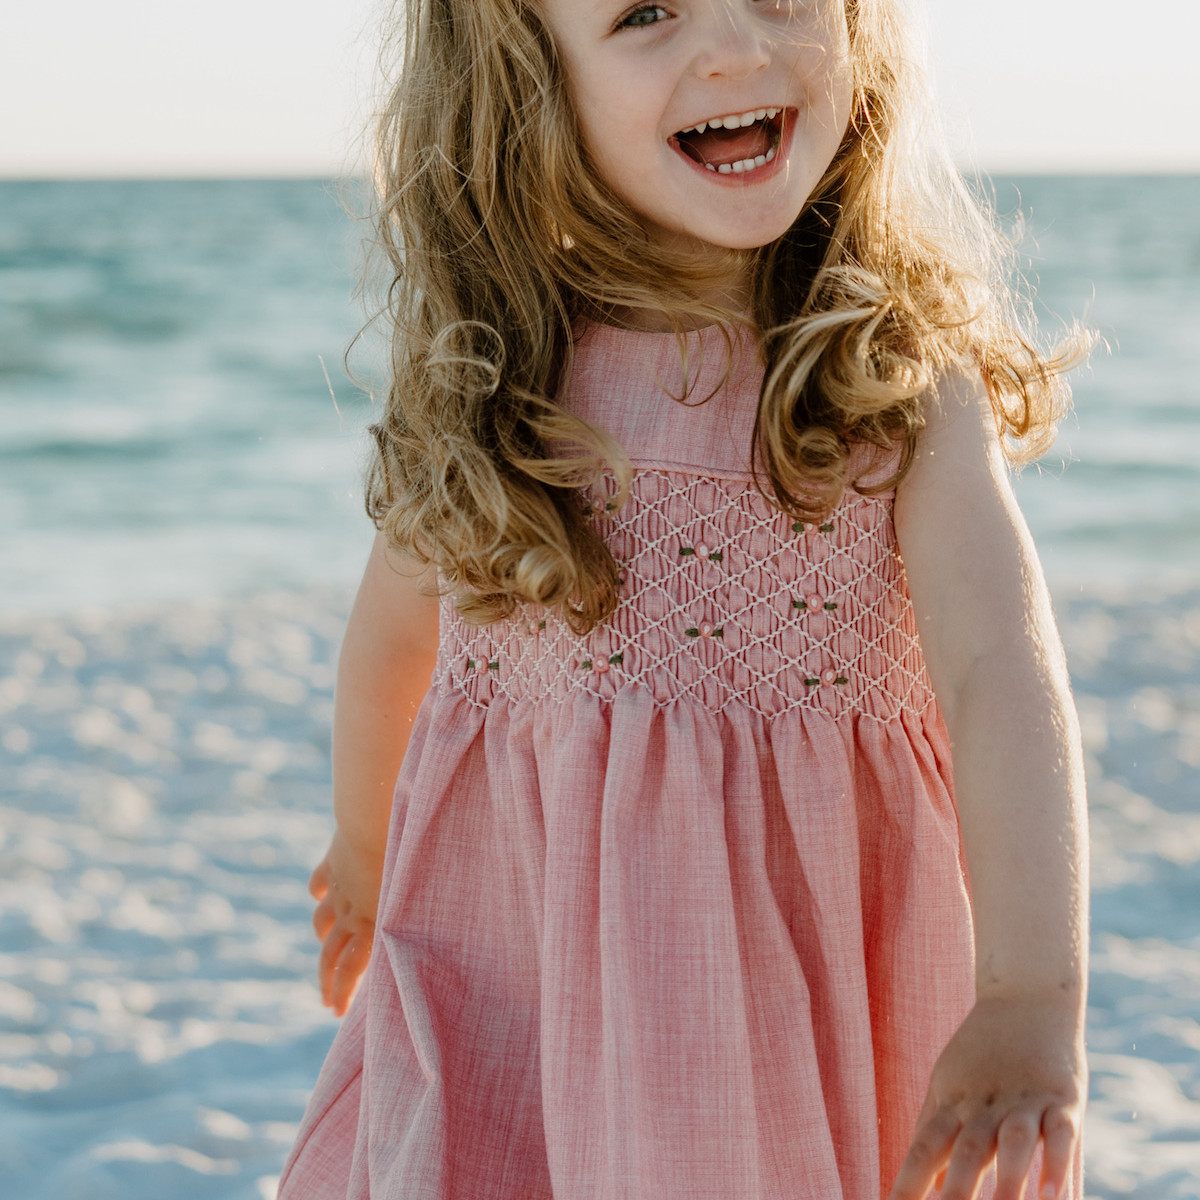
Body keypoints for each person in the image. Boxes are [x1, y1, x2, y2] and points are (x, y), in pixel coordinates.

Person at [278, 1, 1092, 1197]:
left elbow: (1001, 672)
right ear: (527, 78)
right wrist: (363, 846)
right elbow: (393, 640)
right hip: (516, 994)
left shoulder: (892, 383)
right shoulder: (502, 388)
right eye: (646, 13)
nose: (735, 47)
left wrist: (1030, 994)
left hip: (790, 1017)